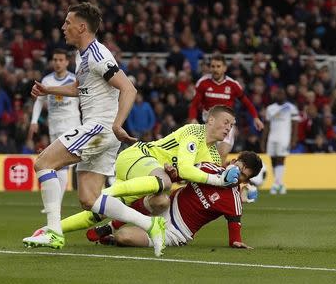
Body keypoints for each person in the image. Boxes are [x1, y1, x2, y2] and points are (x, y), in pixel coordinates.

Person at [23, 2, 166, 257]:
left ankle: (53, 230)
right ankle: (151, 224)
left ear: (82, 27)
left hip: (99, 127)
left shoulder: (99, 55)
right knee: (89, 199)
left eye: (67, 22)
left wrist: (117, 124)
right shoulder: (84, 56)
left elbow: (129, 88)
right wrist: (48, 90)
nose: (63, 27)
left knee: (44, 163)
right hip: (101, 132)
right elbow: (79, 89)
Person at [55, 105, 241, 236]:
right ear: (211, 120)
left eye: (231, 125)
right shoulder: (195, 132)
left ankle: (51, 229)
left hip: (148, 176)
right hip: (137, 156)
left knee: (99, 213)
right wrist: (217, 180)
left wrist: (243, 189)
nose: (228, 128)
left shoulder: (214, 157)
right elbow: (186, 169)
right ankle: (103, 194)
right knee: (164, 183)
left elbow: (196, 182)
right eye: (226, 122)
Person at [87, 151, 263, 249]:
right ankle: (109, 227)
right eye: (238, 169)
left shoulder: (233, 201)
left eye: (242, 176)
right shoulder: (207, 168)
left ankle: (113, 237)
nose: (236, 176)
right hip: (166, 205)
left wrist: (236, 243)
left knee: (124, 237)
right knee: (161, 200)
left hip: (175, 232)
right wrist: (171, 172)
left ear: (246, 181)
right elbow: (178, 176)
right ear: (232, 161)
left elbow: (235, 238)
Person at [188, 54, 264, 162]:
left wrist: (256, 117)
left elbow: (247, 102)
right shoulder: (203, 83)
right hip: (209, 124)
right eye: (213, 66)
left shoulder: (233, 85)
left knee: (222, 154)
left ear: (225, 68)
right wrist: (192, 118)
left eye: (218, 66)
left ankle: (216, 177)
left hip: (226, 125)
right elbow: (194, 104)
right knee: (203, 157)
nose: (215, 69)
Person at [28, 48, 80, 194]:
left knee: (61, 163)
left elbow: (85, 100)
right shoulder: (47, 80)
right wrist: (34, 121)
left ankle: (56, 201)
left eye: (61, 60)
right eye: (55, 60)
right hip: (54, 125)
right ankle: (56, 200)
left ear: (66, 62)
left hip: (71, 124)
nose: (57, 63)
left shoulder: (74, 80)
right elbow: (39, 101)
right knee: (57, 164)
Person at [261, 88, 299, 195]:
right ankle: (280, 184)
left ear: (285, 95)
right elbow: (267, 126)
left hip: (284, 138)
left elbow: (295, 125)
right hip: (272, 137)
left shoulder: (291, 108)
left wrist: (293, 140)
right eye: (278, 94)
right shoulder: (270, 108)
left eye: (281, 93)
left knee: (280, 159)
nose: (280, 96)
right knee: (273, 160)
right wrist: (263, 140)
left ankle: (275, 185)